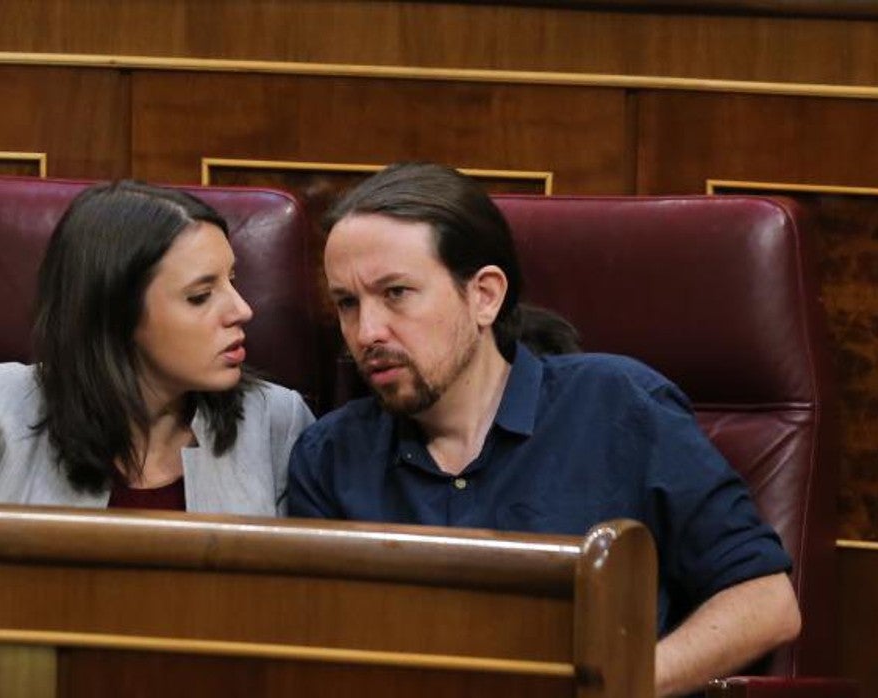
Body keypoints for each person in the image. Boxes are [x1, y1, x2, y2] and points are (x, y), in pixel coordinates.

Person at [287, 163, 800, 697]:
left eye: (395, 293)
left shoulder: (619, 406)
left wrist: (621, 685)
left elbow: (765, 602)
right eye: (348, 303)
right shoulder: (328, 457)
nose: (366, 332)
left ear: (484, 295)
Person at [0, 181, 314, 515]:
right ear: (116, 312)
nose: (242, 310)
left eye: (233, 280)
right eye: (201, 295)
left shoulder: (276, 422)